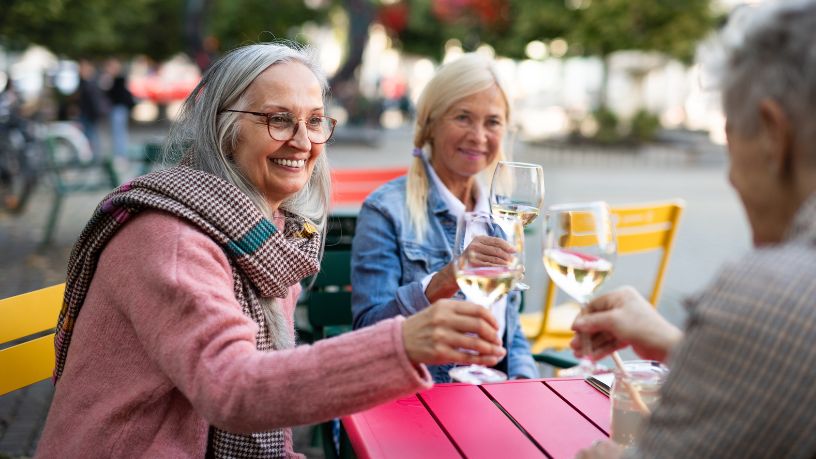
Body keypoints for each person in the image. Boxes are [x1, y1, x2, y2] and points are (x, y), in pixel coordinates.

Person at [35, 43, 507, 458]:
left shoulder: (262, 235)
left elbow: (269, 425)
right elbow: (233, 389)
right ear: (225, 129)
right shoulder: (171, 238)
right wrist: (403, 343)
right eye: (279, 120)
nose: (302, 142)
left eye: (315, 121)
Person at [572, 2, 816, 457]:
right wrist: (675, 345)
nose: (731, 178)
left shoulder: (769, 290)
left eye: (731, 139)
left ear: (773, 135)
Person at [351, 54, 538, 383]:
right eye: (463, 117)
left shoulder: (502, 214)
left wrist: (525, 385)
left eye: (492, 122)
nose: (478, 136)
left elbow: (512, 333)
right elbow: (369, 334)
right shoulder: (386, 210)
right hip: (420, 401)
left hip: (493, 398)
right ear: (430, 125)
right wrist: (441, 282)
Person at [103, 58, 135, 162]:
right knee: (118, 132)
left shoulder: (118, 80)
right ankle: (120, 154)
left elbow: (113, 94)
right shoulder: (115, 79)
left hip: (118, 108)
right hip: (117, 109)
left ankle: (120, 154)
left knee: (118, 132)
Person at [76, 59, 106, 160]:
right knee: (89, 135)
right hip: (86, 113)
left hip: (89, 113)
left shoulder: (90, 82)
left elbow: (92, 100)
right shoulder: (85, 82)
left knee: (91, 135)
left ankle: (94, 157)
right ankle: (92, 156)